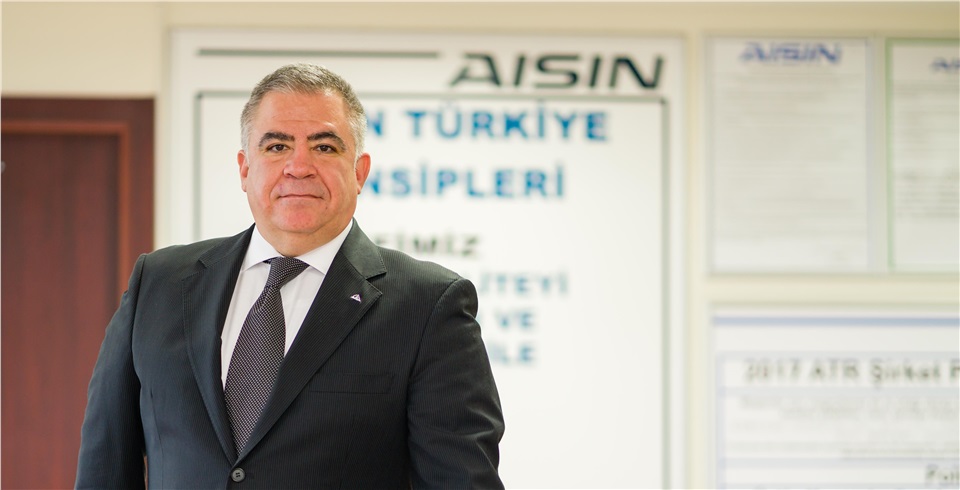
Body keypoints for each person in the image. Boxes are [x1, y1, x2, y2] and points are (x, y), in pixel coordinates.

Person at [75, 63, 505, 489]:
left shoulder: (428, 306)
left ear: (359, 172)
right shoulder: (158, 284)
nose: (299, 167)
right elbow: (104, 467)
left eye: (325, 147)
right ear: (245, 169)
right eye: (277, 146)